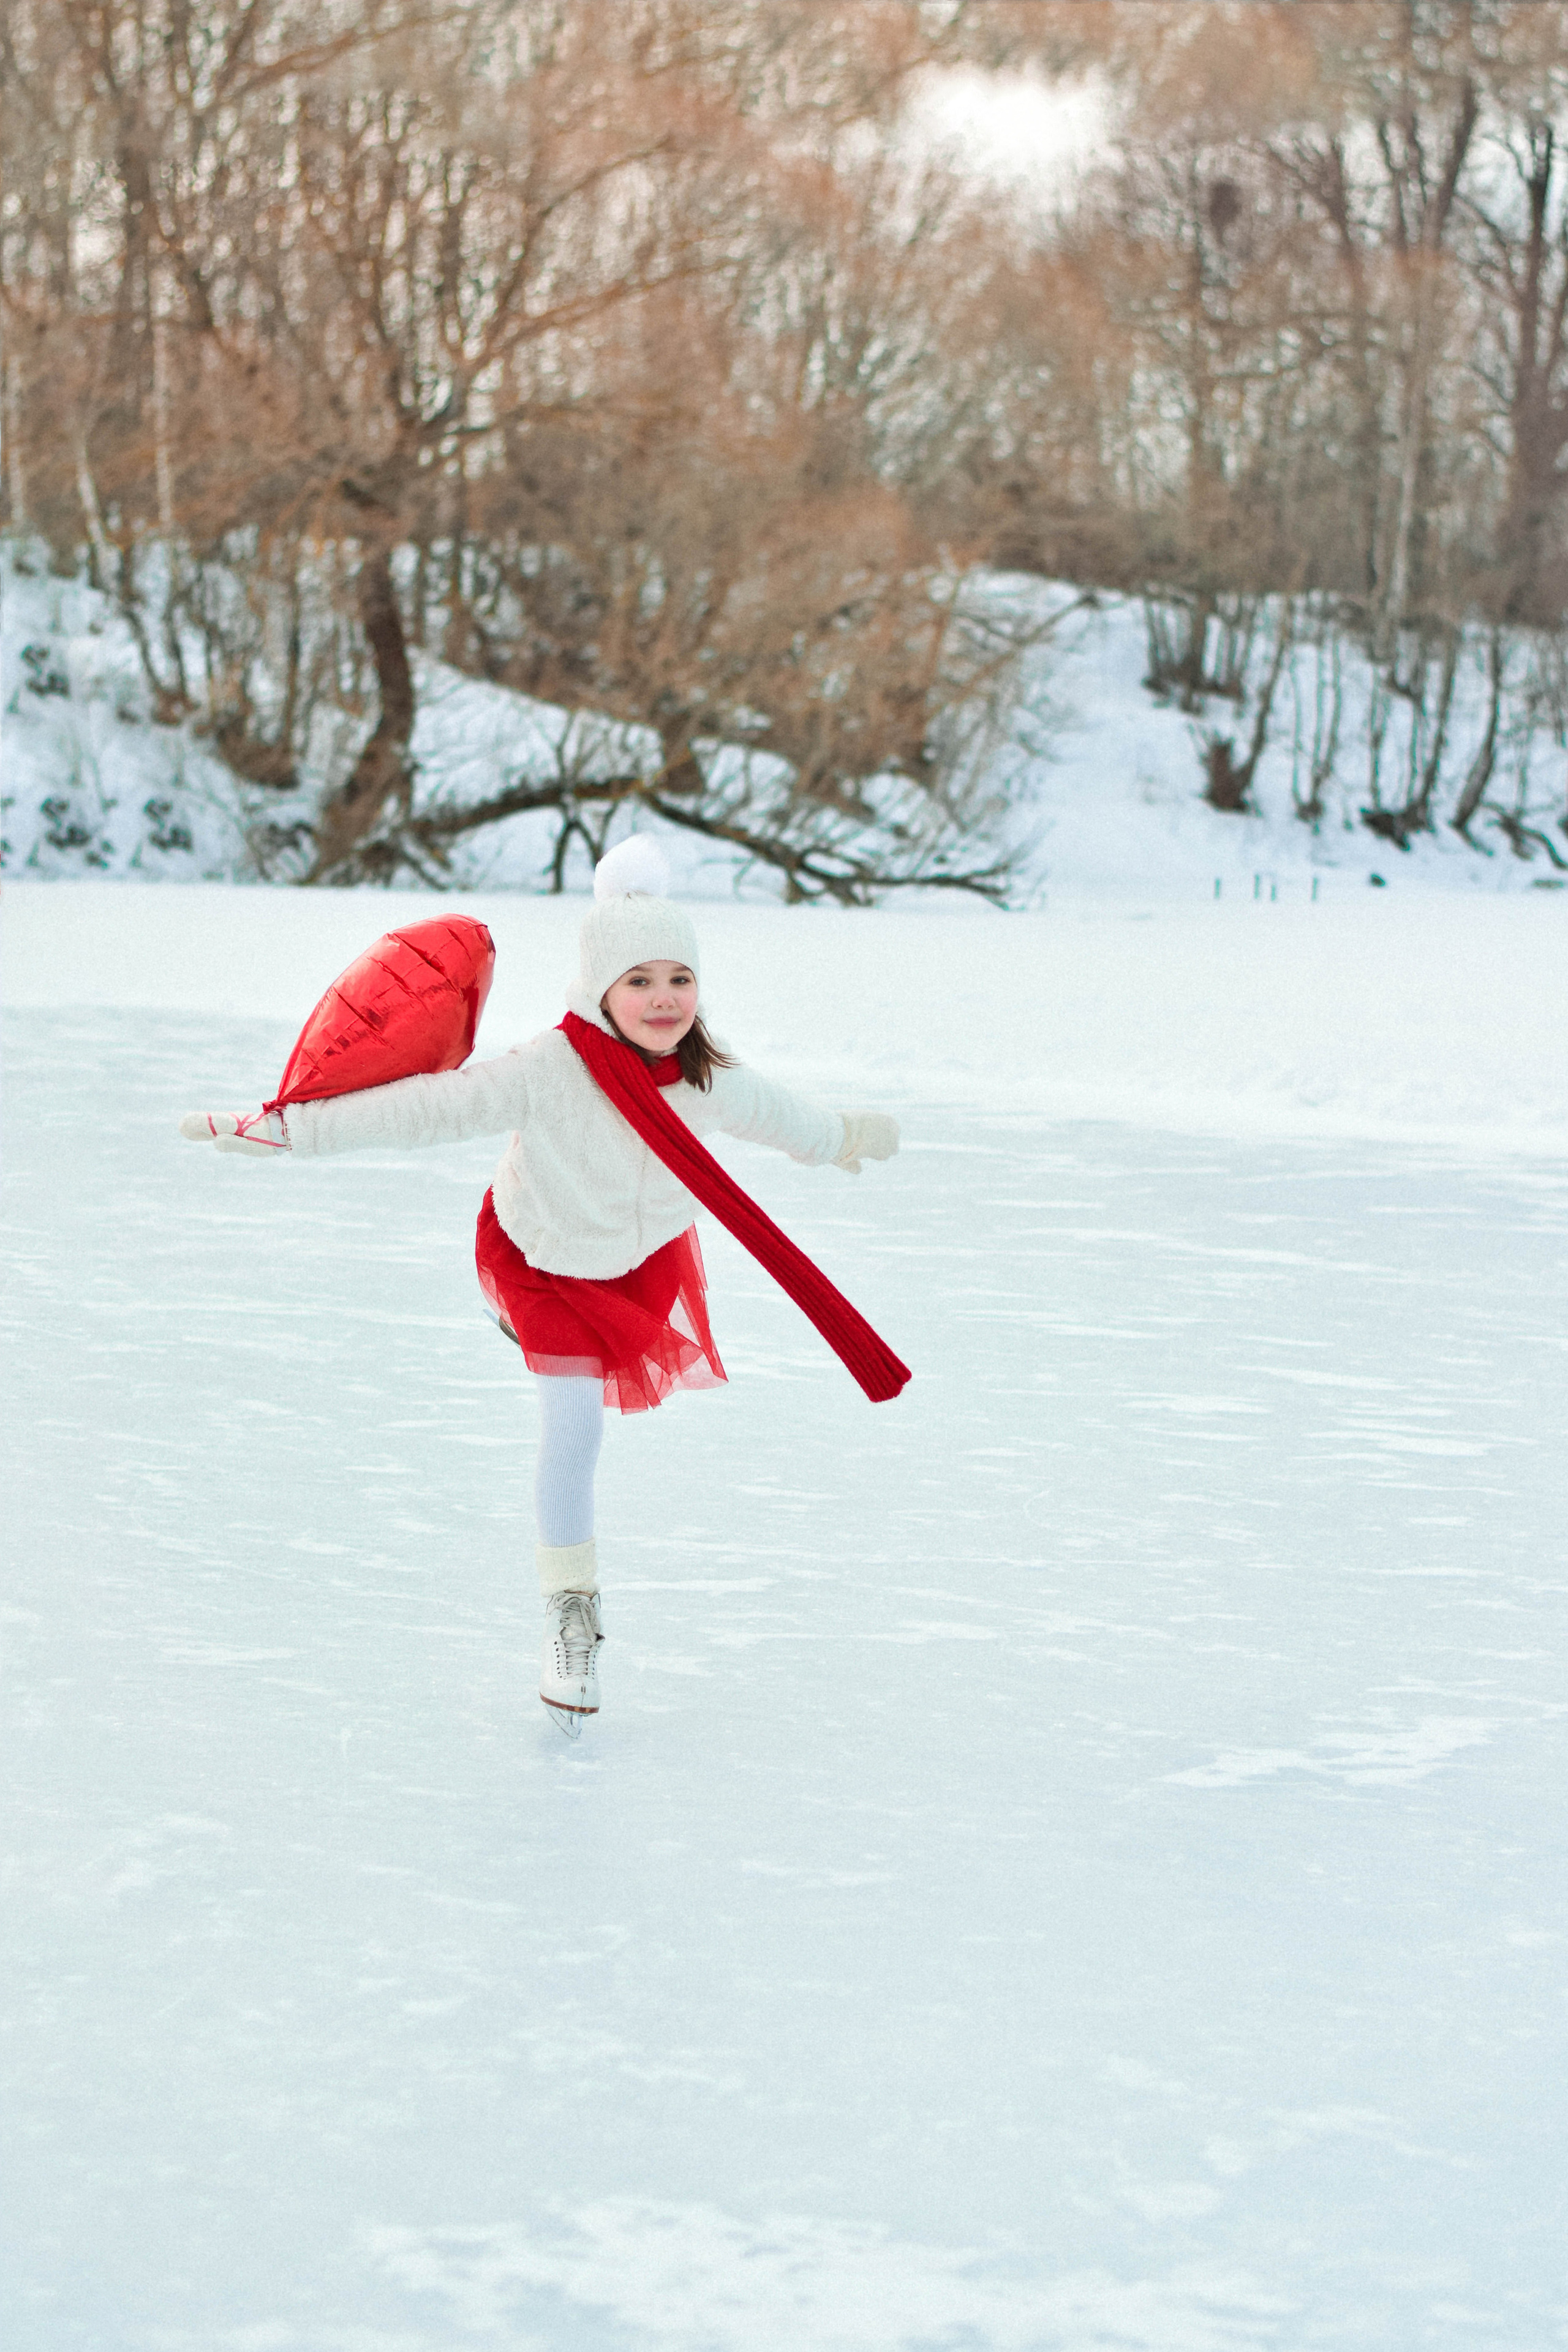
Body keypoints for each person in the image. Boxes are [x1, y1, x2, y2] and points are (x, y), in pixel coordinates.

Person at [181, 839, 902, 1732]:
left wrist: (846, 1137)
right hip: (542, 1258)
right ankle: (571, 1614)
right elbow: (427, 1110)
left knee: (587, 1403)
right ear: (599, 987)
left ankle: (563, 1539)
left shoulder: (709, 1081)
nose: (664, 998)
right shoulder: (550, 1069)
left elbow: (784, 1117)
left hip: (636, 1263)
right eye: (639, 980)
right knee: (575, 1429)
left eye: (680, 978)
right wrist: (286, 1131)